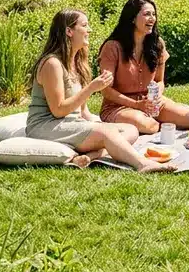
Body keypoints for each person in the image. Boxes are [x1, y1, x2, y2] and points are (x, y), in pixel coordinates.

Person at [26, 9, 172, 172]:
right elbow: (58, 110)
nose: (89, 30)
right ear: (69, 31)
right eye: (84, 25)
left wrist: (100, 124)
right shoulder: (52, 64)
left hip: (70, 123)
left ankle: (93, 155)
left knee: (129, 129)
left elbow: (83, 111)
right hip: (46, 126)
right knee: (107, 133)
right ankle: (142, 164)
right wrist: (91, 89)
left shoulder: (77, 62)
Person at [98, 0, 189, 133]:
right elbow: (106, 90)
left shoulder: (157, 44)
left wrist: (156, 97)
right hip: (119, 106)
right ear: (132, 18)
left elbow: (159, 81)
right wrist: (137, 105)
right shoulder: (112, 47)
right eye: (147, 14)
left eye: (154, 14)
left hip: (149, 102)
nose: (152, 18)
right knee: (150, 126)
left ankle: (170, 112)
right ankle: (151, 119)